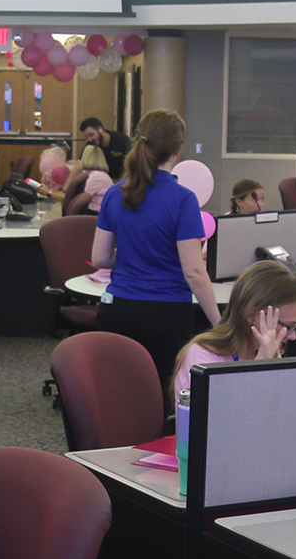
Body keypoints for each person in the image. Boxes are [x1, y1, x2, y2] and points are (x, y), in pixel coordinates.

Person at [91, 109, 221, 399]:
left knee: (119, 396)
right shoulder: (183, 199)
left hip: (118, 310)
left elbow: (100, 257)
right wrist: (220, 324)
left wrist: (134, 256)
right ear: (177, 149)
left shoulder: (115, 192)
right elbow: (193, 271)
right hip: (166, 315)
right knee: (161, 399)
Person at [173, 260, 296, 395]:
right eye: (288, 326)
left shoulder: (271, 352)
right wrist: (261, 365)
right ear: (251, 314)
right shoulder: (203, 356)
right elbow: (225, 407)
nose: (293, 336)